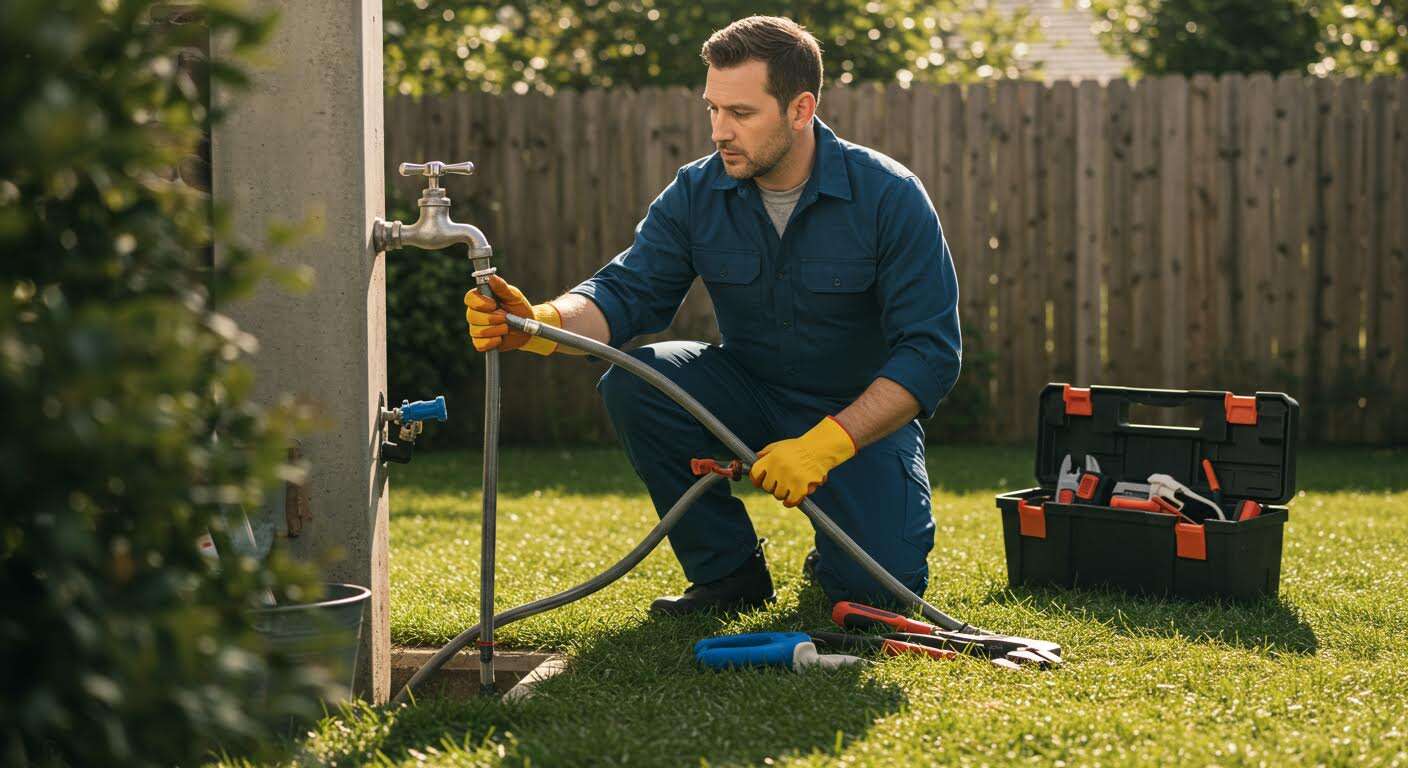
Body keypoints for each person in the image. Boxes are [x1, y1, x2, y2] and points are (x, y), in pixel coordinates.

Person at [464, 15, 961, 615]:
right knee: (637, 380)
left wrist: (822, 448)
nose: (721, 131)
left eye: (742, 114)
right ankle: (728, 573)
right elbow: (624, 294)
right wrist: (537, 322)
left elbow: (930, 354)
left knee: (878, 591)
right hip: (747, 391)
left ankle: (837, 549)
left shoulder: (889, 196)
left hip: (855, 417)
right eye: (713, 110)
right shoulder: (696, 193)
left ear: (801, 109)